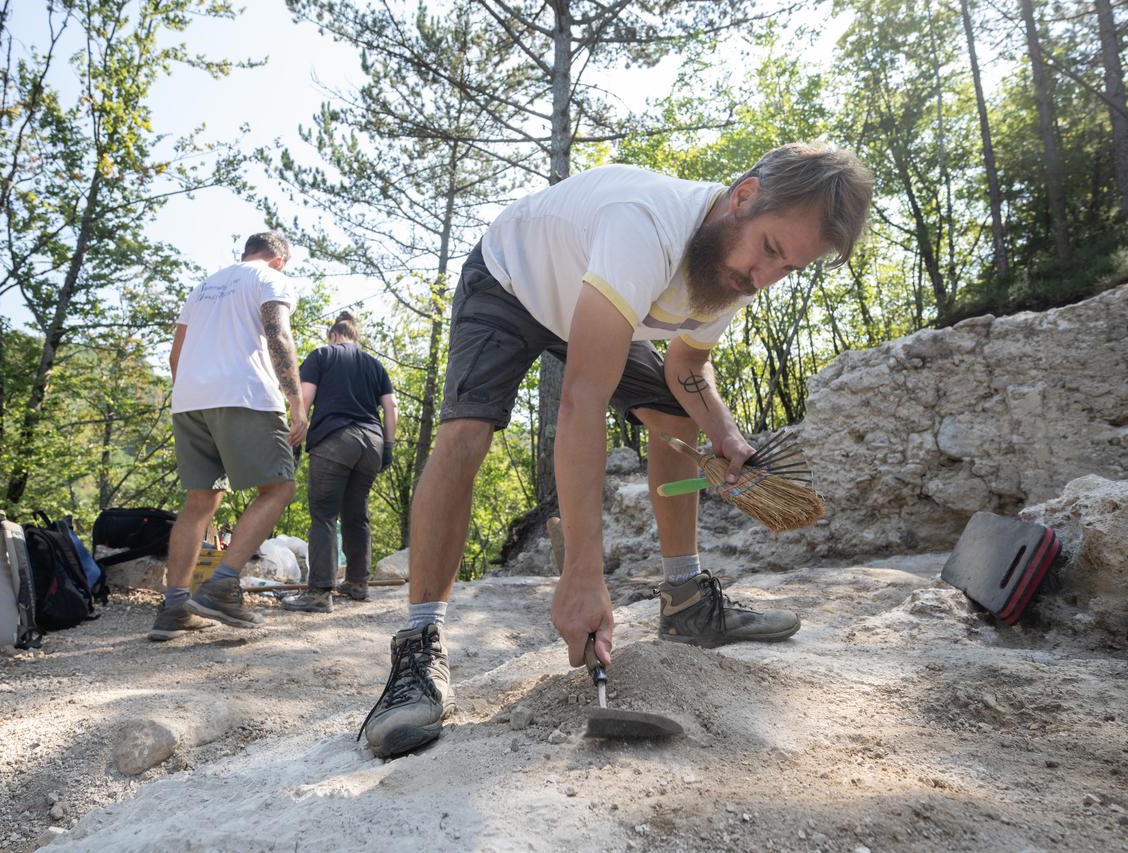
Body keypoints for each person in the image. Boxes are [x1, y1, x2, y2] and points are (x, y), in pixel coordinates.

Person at [359, 143, 873, 758]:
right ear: (743, 196)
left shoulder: (734, 269)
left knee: (676, 418)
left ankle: (684, 598)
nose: (764, 279)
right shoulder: (645, 228)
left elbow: (688, 366)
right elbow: (582, 398)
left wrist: (727, 436)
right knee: (466, 434)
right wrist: (582, 576)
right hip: (510, 281)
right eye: (769, 250)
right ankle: (419, 644)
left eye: (788, 268)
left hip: (599, 307)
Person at [147, 232, 306, 641]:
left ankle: (174, 607)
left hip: (189, 399)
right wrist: (297, 402)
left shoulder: (202, 288)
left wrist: (192, 394)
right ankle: (222, 584)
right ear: (279, 260)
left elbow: (175, 356)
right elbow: (278, 336)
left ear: (245, 253)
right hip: (244, 394)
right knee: (278, 488)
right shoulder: (270, 279)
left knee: (201, 499)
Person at [281, 311, 398, 614]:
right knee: (356, 515)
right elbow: (391, 407)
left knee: (323, 515)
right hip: (371, 443)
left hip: (335, 439)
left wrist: (295, 434)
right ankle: (358, 584)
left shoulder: (322, 355)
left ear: (333, 335)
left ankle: (319, 593)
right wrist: (388, 446)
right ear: (355, 337)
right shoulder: (374, 364)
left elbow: (304, 398)